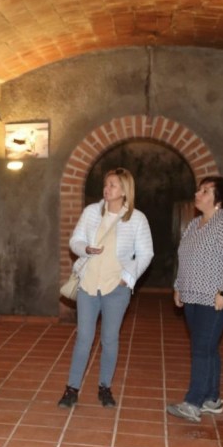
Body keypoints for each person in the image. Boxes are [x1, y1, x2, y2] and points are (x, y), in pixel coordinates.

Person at [59, 168, 154, 409]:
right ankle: (72, 389)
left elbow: (146, 253)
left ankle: (105, 387)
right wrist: (85, 249)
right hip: (88, 285)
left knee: (110, 339)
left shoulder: (137, 219)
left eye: (112, 185)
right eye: (106, 184)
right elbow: (75, 241)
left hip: (116, 288)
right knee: (84, 337)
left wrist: (128, 278)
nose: (107, 188)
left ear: (124, 190)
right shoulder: (92, 212)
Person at [167, 176, 223, 422]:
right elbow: (184, 258)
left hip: (216, 297)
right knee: (207, 347)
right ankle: (212, 399)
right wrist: (178, 287)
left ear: (218, 199)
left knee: (201, 347)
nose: (197, 194)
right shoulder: (194, 224)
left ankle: (193, 403)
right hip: (192, 295)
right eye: (198, 190)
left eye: (205, 191)